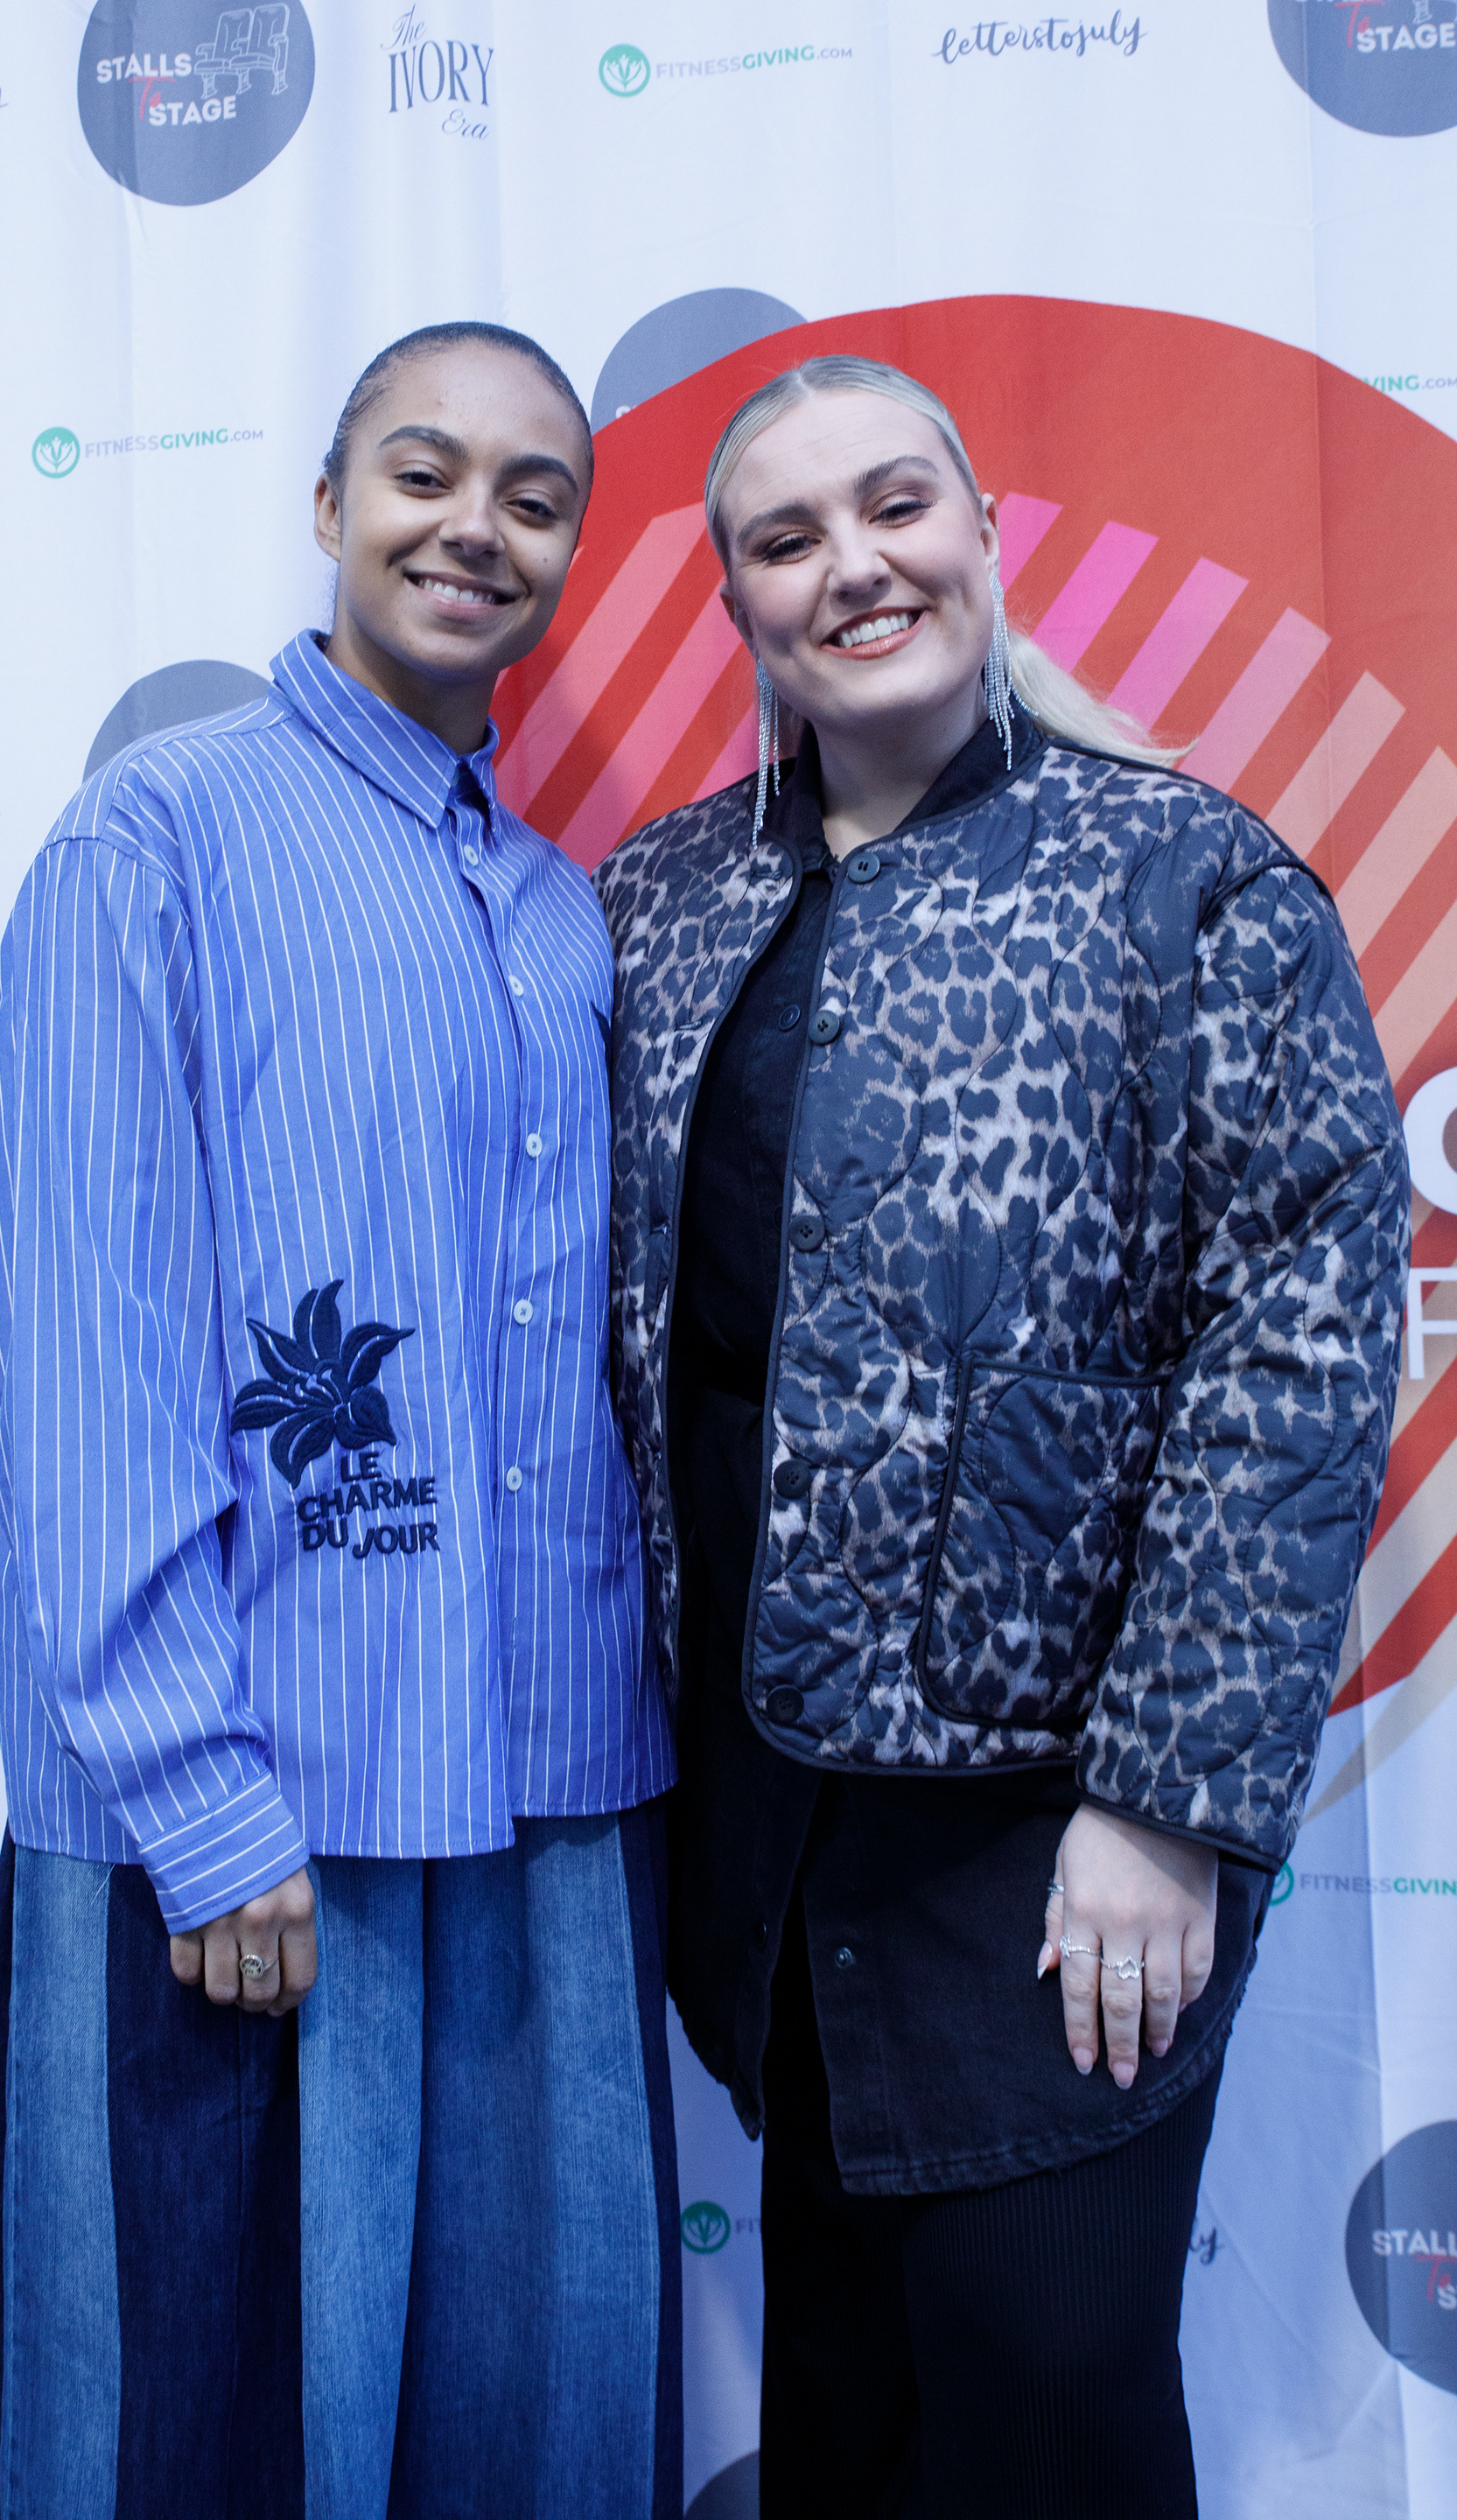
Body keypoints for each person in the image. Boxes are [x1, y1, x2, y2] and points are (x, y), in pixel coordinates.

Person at [594, 354, 1407, 2520]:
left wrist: (1165, 1802)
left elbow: (1301, 1350)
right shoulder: (660, 904)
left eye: (896, 506)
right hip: (769, 1831)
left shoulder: (1186, 877)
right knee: (848, 2415)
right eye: (786, 539)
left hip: (1056, 1843)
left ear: (981, 529)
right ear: (738, 605)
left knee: (1048, 2413)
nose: (853, 566)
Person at [0, 321, 680, 2520]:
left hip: (545, 1804)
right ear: (330, 503)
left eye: (536, 498)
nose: (477, 528)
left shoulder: (559, 914)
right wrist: (198, 1799)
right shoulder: (153, 839)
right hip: (256, 1819)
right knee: (200, 2443)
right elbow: (88, 1355)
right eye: (425, 473)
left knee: (531, 2436)